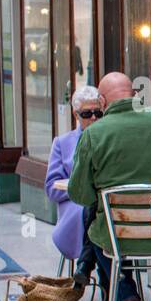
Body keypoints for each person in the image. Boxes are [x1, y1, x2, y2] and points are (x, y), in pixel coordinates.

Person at [68, 72, 151, 301]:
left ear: (102, 102)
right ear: (133, 95)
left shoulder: (93, 134)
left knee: (96, 232)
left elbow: (80, 195)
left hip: (117, 237)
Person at [45, 86, 104, 285]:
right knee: (92, 214)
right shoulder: (62, 143)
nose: (94, 119)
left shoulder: (109, 138)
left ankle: (87, 267)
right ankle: (110, 294)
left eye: (98, 112)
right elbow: (51, 187)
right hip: (74, 207)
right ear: (76, 115)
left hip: (107, 207)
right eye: (87, 114)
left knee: (100, 216)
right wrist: (79, 188)